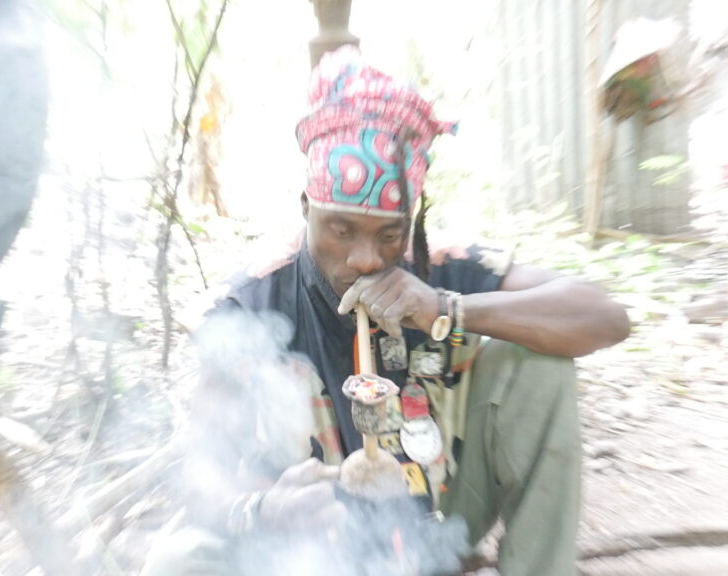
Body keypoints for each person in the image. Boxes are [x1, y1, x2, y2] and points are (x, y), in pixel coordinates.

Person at [143, 47, 630, 576]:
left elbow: (605, 317)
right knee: (179, 560)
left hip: (437, 519)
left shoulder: (442, 267)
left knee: (538, 365)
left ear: (411, 223)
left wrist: (447, 308)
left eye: (389, 235)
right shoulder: (252, 300)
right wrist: (261, 510)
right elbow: (200, 472)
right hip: (308, 546)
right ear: (307, 208)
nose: (365, 259)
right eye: (341, 230)